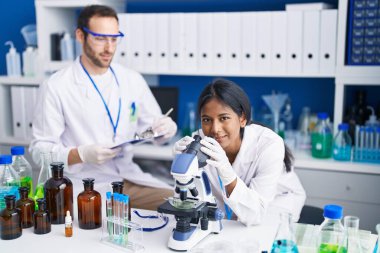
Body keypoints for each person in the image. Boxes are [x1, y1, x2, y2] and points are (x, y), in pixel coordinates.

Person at [29, 5, 177, 210]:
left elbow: (154, 130)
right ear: (80, 36)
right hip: (86, 185)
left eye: (114, 39)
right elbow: (39, 151)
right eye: (100, 38)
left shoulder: (131, 79)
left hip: (128, 178)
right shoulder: (56, 86)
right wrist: (80, 154)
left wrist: (166, 128)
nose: (109, 48)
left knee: (180, 206)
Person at [173, 78, 306, 225]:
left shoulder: (269, 145)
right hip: (230, 213)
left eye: (224, 118)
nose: (215, 129)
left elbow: (256, 213)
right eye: (206, 120)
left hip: (276, 204)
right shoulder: (197, 143)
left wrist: (228, 175)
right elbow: (190, 198)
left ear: (242, 118)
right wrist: (181, 167)